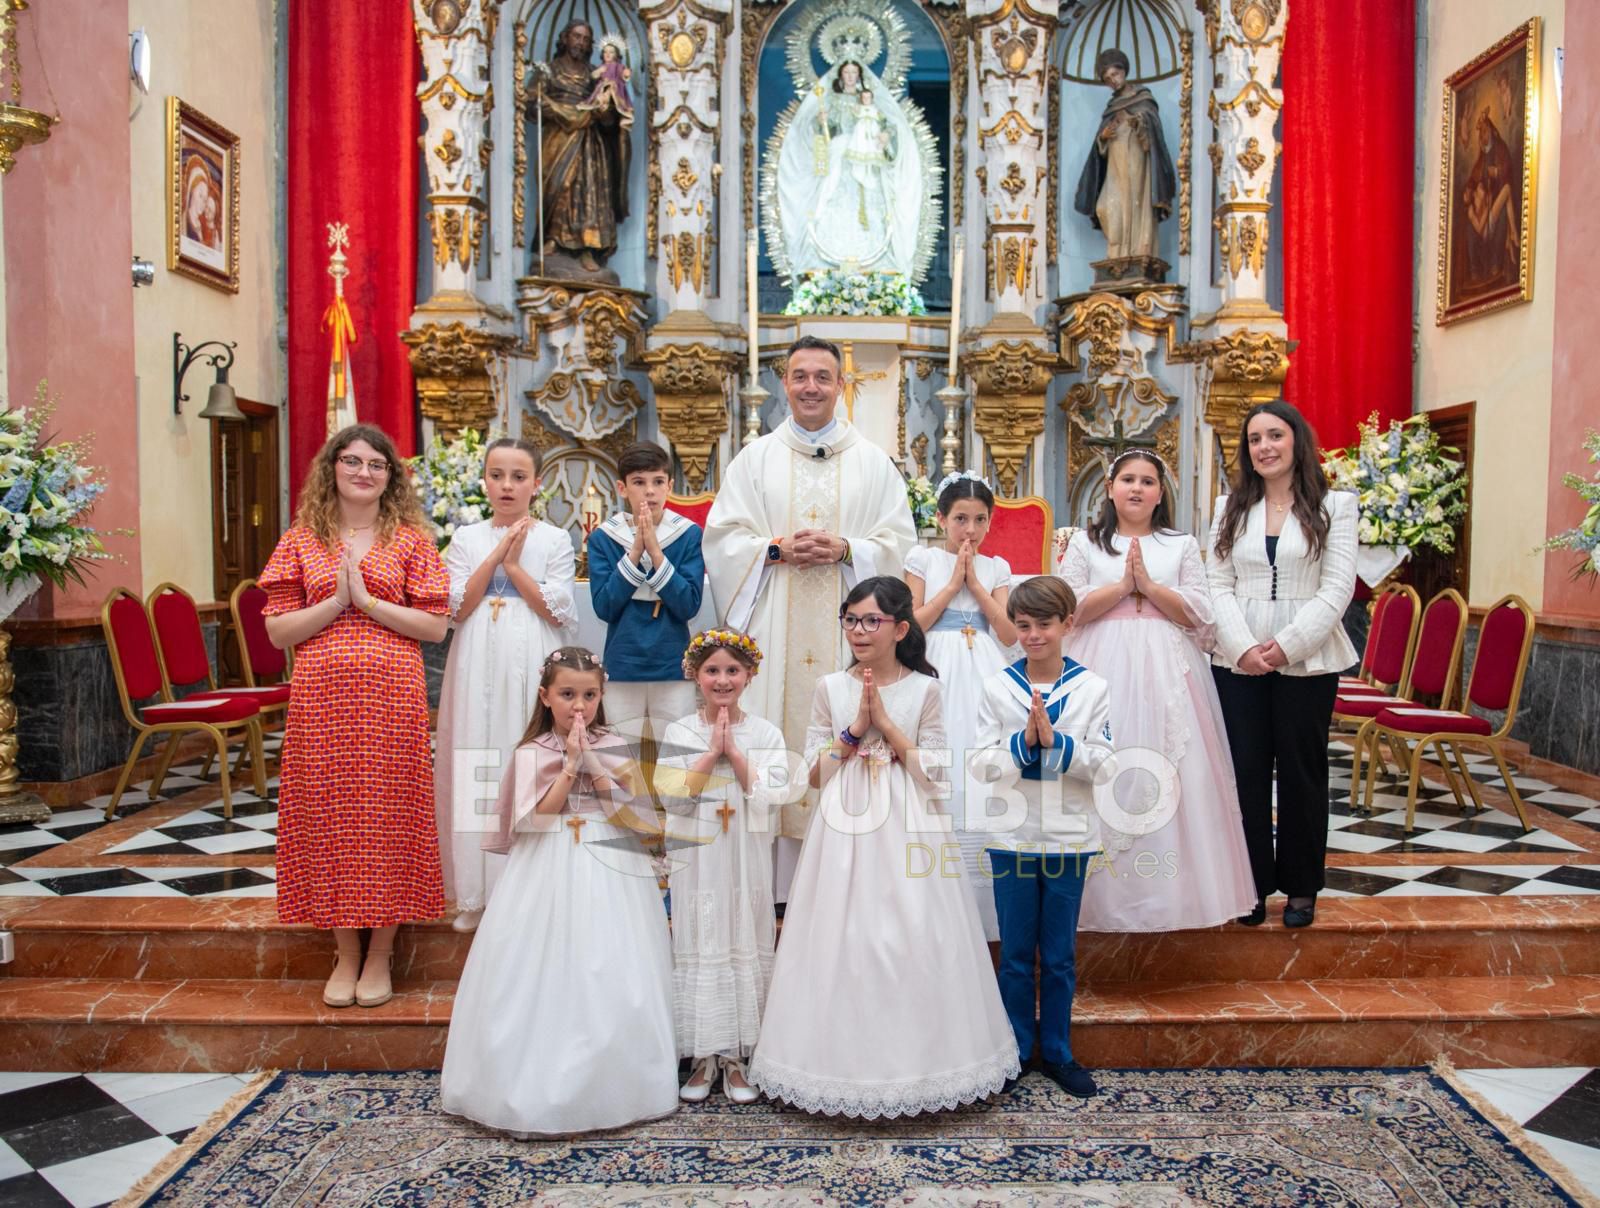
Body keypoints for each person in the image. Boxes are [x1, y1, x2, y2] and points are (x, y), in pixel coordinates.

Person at [748, 577, 1019, 1118]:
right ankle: (831, 1067)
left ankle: (921, 1068)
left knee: (910, 932)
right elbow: (815, 775)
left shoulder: (926, 689)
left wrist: (888, 726)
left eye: (871, 621)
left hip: (909, 821)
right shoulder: (830, 686)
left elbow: (936, 775)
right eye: (850, 620)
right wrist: (853, 731)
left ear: (901, 628)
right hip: (844, 826)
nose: (857, 631)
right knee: (842, 935)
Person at [703, 336, 917, 896]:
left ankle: (844, 880)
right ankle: (774, 889)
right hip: (775, 619)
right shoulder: (755, 460)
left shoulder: (872, 463)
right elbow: (723, 538)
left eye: (823, 377)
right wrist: (772, 550)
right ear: (785, 384)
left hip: (852, 627)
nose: (811, 387)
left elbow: (900, 540)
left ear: (840, 386)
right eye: (800, 376)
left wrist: (850, 551)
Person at [441, 647, 679, 1135]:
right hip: (547, 864)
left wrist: (592, 758)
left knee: (609, 965)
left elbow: (631, 816)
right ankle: (528, 1079)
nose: (579, 706)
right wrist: (569, 766)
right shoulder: (531, 753)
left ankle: (614, 1081)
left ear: (602, 696)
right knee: (542, 963)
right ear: (545, 696)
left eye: (590, 695)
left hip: (608, 864)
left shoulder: (615, 744)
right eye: (568, 694)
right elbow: (533, 820)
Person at [260, 424, 450, 1009]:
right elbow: (276, 632)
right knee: (333, 817)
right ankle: (345, 952)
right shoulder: (300, 539)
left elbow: (435, 626)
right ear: (332, 468)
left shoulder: (413, 540)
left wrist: (367, 603)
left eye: (377, 464)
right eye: (352, 461)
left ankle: (381, 953)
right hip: (323, 700)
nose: (364, 472)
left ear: (391, 476)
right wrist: (336, 602)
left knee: (390, 814)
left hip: (391, 698)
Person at [1058, 451, 1256, 932]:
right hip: (1100, 666)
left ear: (1160, 493)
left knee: (1173, 767)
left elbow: (1200, 613)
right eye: (1128, 479)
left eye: (1148, 482)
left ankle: (1173, 898)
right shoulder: (1086, 544)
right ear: (1109, 487)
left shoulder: (1180, 544)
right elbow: (1069, 608)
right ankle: (1094, 901)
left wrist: (1149, 586)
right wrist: (1125, 587)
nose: (1137, 489)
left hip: (1168, 670)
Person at [1208, 401, 1358, 930]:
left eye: (1274, 435)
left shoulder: (1335, 505)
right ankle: (1249, 885)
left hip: (1309, 658)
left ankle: (1301, 887)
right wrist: (1244, 645)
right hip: (1237, 657)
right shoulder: (1230, 507)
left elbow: (1338, 588)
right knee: (1244, 773)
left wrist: (1286, 646)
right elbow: (1217, 584)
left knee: (1302, 772)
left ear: (1296, 440)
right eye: (1254, 440)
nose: (1265, 447)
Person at [973, 576, 1114, 1098]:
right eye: (1024, 625)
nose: (1033, 635)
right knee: (1014, 953)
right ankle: (1013, 1049)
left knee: (1057, 956)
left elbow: (1103, 765)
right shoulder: (997, 687)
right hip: (1012, 836)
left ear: (1068, 624)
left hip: (1068, 838)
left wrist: (1059, 744)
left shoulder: (1093, 688)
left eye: (1045, 625)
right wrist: (1022, 741)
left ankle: (1056, 1051)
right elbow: (984, 763)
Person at [434, 437, 577, 934]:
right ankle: (476, 890)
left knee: (525, 754)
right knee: (476, 750)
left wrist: (514, 566)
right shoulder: (466, 539)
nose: (507, 485)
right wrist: (497, 552)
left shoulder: (555, 539)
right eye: (497, 475)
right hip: (476, 655)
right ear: (484, 482)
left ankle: (525, 886)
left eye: (519, 476)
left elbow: (557, 610)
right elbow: (458, 607)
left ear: (537, 484)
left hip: (530, 653)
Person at [655, 630, 785, 1105]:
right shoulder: (679, 732)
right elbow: (671, 795)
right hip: (698, 856)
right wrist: (712, 752)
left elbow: (774, 796)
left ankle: (737, 1058)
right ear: (695, 674)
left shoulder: (766, 732)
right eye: (713, 670)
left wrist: (735, 753)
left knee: (739, 935)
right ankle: (704, 1056)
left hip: (744, 857)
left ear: (750, 675)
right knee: (703, 935)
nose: (723, 679)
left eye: (733, 670)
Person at [903, 470, 1016, 940]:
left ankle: (985, 907)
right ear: (942, 518)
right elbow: (911, 627)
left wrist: (978, 585)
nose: (970, 530)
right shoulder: (922, 558)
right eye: (960, 519)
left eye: (980, 520)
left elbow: (1009, 633)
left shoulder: (998, 567)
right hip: (937, 670)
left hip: (986, 669)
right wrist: (952, 585)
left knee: (982, 764)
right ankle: (935, 903)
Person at [587, 441, 705, 747]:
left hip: (672, 661)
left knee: (679, 751)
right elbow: (604, 606)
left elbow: (689, 604)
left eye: (657, 482)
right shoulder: (604, 537)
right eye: (639, 482)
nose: (649, 491)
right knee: (620, 754)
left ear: (670, 486)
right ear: (622, 488)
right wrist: (635, 551)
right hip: (625, 660)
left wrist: (655, 552)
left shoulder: (688, 534)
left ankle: (676, 799)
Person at [526, 19, 630, 274]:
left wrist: (606, 113)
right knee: (561, 187)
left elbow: (611, 114)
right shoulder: (549, 70)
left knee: (591, 192)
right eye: (576, 36)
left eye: (585, 39)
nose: (580, 43)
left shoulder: (595, 74)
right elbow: (531, 102)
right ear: (565, 38)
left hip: (589, 143)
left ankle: (588, 247)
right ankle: (553, 238)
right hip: (558, 139)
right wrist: (560, 110)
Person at [1073, 47, 1177, 269]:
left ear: (1124, 71)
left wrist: (1139, 123)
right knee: (1104, 207)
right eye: (1108, 79)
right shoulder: (1111, 108)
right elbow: (1099, 149)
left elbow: (1154, 136)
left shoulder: (1144, 98)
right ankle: (1117, 254)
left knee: (1137, 204)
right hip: (1115, 165)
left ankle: (1139, 252)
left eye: (1115, 75)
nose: (1113, 81)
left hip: (1137, 162)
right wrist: (1103, 137)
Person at [582, 35, 633, 128]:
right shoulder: (602, 66)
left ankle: (612, 106)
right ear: (602, 54)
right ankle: (601, 104)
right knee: (600, 93)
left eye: (611, 52)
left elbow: (623, 75)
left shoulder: (618, 66)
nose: (608, 54)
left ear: (616, 54)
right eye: (605, 52)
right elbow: (594, 76)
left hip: (615, 89)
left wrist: (626, 74)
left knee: (610, 88)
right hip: (602, 88)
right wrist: (598, 71)